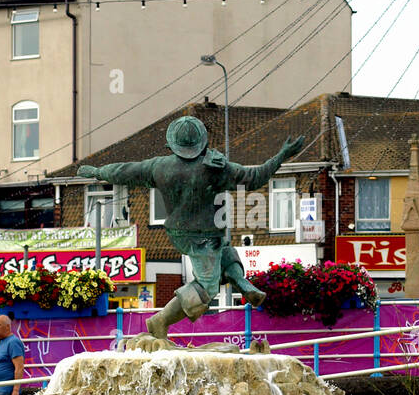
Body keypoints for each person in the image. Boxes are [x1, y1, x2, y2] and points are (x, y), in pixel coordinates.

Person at [77, 116, 304, 340]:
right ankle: (161, 320)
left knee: (224, 249)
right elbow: (254, 178)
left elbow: (124, 171)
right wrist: (282, 155)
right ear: (202, 142)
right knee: (207, 288)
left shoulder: (159, 166)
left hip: (182, 233)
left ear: (172, 145)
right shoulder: (215, 168)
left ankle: (243, 284)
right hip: (201, 236)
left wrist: (97, 172)